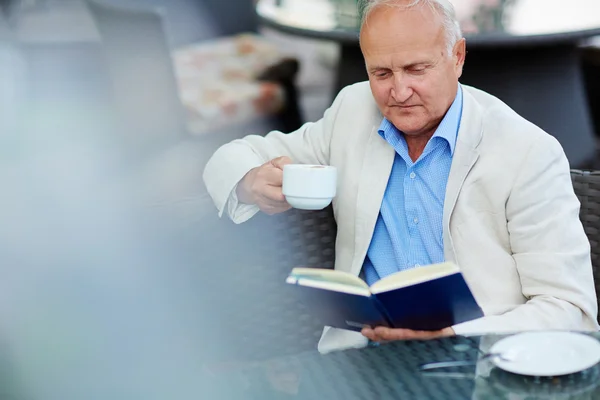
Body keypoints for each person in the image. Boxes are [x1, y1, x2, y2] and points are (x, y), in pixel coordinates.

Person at [203, 0, 599, 353]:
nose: (399, 91)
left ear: (457, 57)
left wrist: (455, 332)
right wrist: (250, 180)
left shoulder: (527, 151)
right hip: (361, 355)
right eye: (381, 73)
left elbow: (571, 311)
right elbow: (230, 157)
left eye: (416, 69)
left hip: (478, 358)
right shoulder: (352, 111)